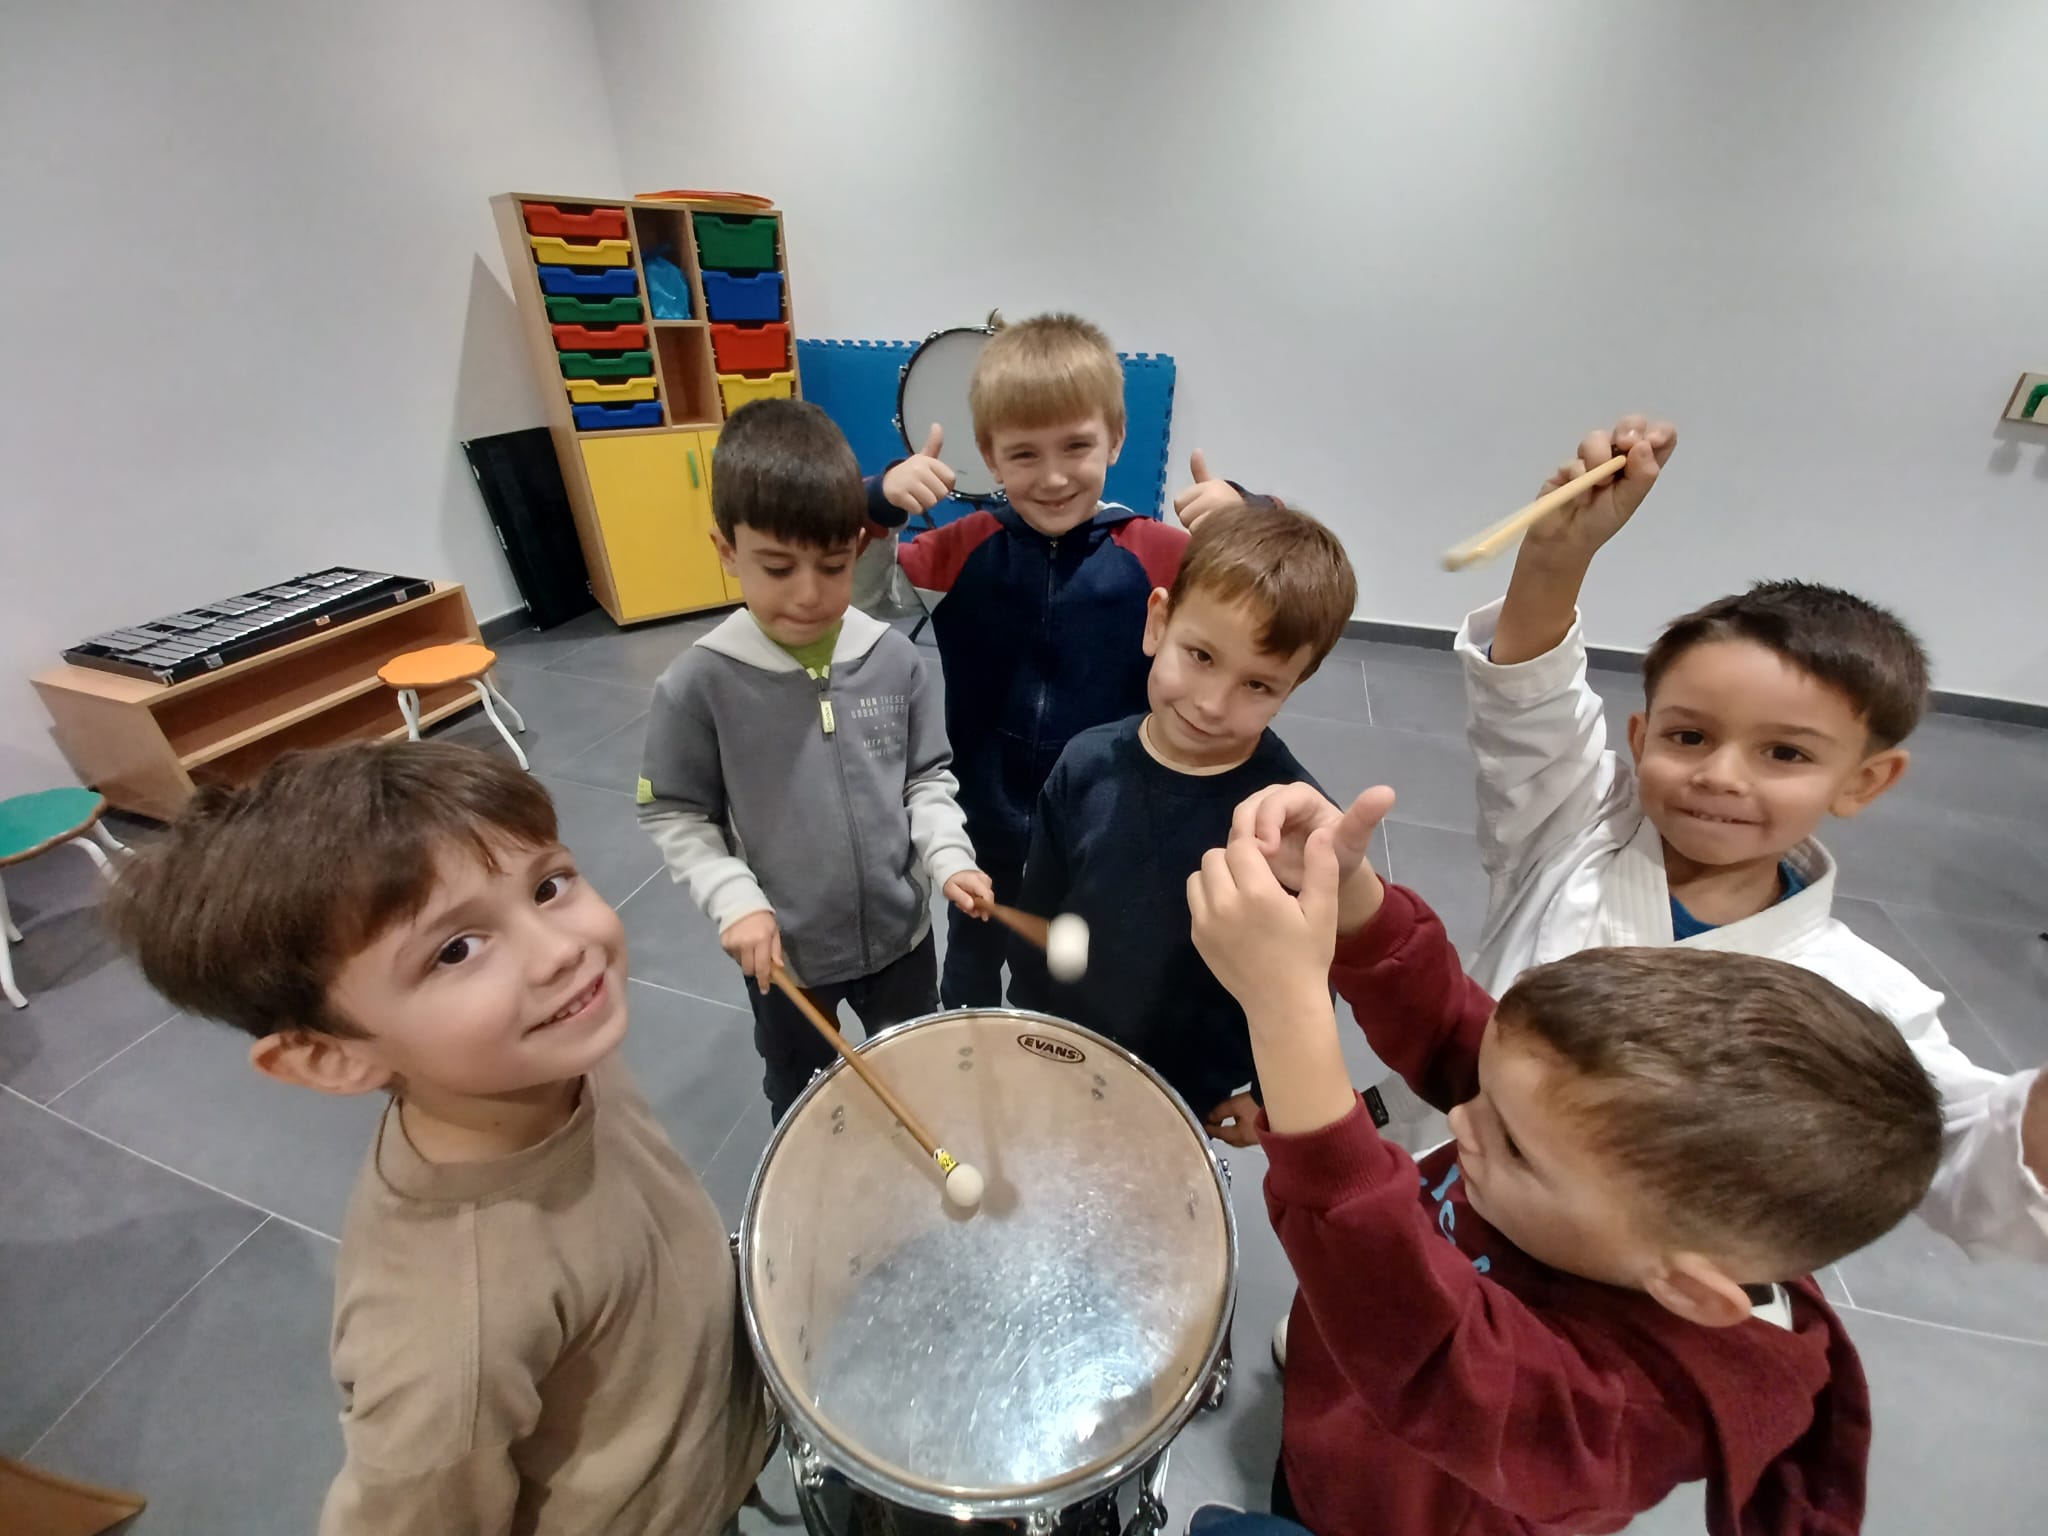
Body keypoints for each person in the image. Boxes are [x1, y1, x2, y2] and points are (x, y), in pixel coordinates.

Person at [1187, 789, 1943, 1536]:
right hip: (1347, 1410)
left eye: (1514, 1145)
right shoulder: (1606, 1165)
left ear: (1685, 1288)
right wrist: (1352, 897)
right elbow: (1452, 1026)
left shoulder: (1632, 1411)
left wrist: (1286, 1012)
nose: (1462, 1117)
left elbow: (1422, 1341)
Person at [1408, 414, 2044, 1258]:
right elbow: (1527, 705)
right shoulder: (1572, 830)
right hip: (1439, 1198)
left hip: (1619, 1293)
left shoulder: (1862, 997)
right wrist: (1558, 558)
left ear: (1863, 781)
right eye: (1690, 736)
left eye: (1785, 753)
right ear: (1641, 740)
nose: (1721, 776)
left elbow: (1966, 1147)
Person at [106, 741, 770, 1536]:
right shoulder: (447, 1329)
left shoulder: (549, 1059)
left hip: (710, 1441)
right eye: (456, 949)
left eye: (548, 886)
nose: (562, 950)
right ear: (329, 1057)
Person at [865, 312, 1274, 1006]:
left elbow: (1278, 595)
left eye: (1077, 446)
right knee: (969, 972)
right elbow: (865, 594)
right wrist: (878, 505)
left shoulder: (1160, 554)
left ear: (1115, 438)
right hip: (982, 822)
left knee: (1074, 979)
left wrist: (1250, 516)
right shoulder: (962, 548)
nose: (1053, 477)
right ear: (989, 456)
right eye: (1024, 454)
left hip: (1105, 826)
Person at [639, 399, 991, 1119]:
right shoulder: (698, 684)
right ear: (726, 550)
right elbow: (677, 813)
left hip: (902, 936)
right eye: (777, 567)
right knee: (799, 1093)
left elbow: (926, 779)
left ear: (857, 548)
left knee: (910, 1077)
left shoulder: (893, 660)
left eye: (832, 566)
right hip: (787, 955)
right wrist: (735, 902)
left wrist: (950, 857)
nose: (807, 594)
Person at [1009, 503, 1354, 1146]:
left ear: (1294, 687)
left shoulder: (1291, 824)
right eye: (1200, 655)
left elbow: (1310, 974)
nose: (1211, 703)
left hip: (1191, 1087)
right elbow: (1040, 909)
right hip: (1069, 1051)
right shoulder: (1083, 763)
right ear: (1158, 622)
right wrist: (1026, 1019)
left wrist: (1269, 1090)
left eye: (1258, 685)